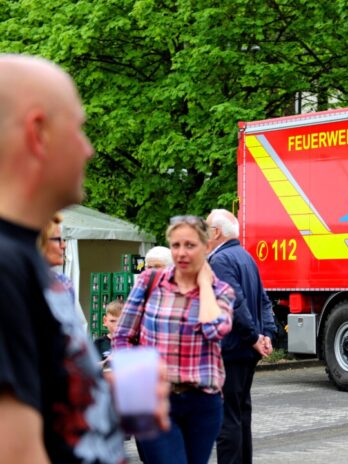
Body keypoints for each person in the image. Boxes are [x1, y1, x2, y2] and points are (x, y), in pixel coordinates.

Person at [0, 54, 164, 464]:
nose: (89, 150)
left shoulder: (24, 259)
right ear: (38, 133)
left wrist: (108, 397)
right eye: (78, 128)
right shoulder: (5, 266)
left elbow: (43, 406)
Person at [113, 215, 234, 464]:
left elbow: (215, 330)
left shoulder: (221, 291)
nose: (181, 253)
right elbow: (123, 335)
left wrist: (204, 284)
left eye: (190, 245)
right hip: (157, 400)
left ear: (207, 247)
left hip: (203, 403)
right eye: (176, 245)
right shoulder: (151, 281)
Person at [206, 208, 277, 464]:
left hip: (232, 349)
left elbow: (234, 303)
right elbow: (264, 302)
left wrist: (255, 337)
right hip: (246, 349)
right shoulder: (246, 257)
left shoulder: (220, 261)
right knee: (241, 414)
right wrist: (265, 334)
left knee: (227, 420)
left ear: (215, 232)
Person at [38, 211, 89, 332]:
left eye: (64, 240)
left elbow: (71, 334)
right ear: (39, 242)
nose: (64, 245)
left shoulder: (63, 283)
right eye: (58, 239)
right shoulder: (12, 281)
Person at [94, 300, 125, 369]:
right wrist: (106, 362)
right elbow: (91, 368)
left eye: (121, 321)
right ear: (105, 321)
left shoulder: (133, 343)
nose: (117, 325)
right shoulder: (99, 343)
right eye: (112, 321)